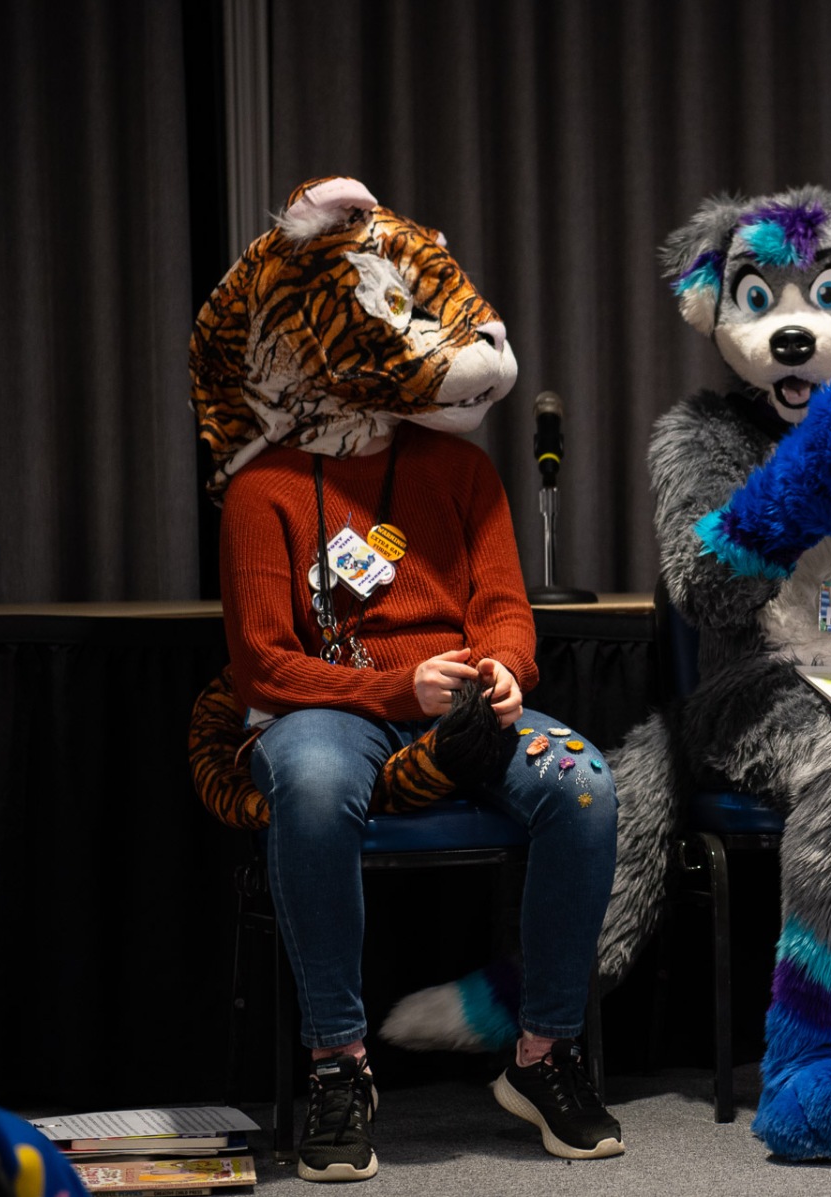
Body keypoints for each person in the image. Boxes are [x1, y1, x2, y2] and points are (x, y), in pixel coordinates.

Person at [219, 419, 623, 1181]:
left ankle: (543, 1055)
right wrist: (397, 689)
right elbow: (263, 664)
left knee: (585, 786)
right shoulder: (263, 485)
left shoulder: (461, 468)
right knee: (313, 788)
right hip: (329, 705)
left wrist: (505, 667)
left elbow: (503, 606)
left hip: (461, 703)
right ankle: (338, 1066)